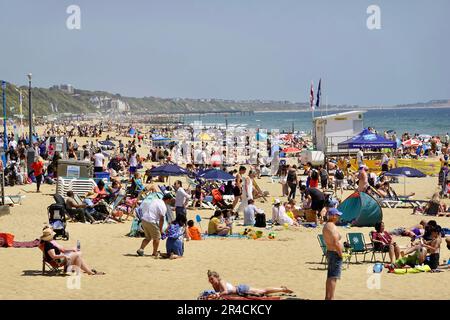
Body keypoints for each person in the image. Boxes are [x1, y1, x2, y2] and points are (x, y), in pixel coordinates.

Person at [40, 227, 104, 275]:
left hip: (60, 259)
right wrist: (65, 255)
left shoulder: (48, 243)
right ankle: (84, 271)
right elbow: (53, 256)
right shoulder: (48, 244)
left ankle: (88, 271)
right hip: (58, 261)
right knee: (77, 254)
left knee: (77, 256)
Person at [136, 194, 173, 258]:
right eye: (171, 200)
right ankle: (154, 252)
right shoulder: (163, 207)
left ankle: (141, 249)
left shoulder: (156, 200)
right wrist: (160, 230)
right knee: (157, 237)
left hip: (144, 219)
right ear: (168, 200)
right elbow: (162, 220)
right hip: (151, 220)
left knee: (148, 237)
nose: (171, 202)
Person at [207, 270, 293, 297]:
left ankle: (283, 289)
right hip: (239, 294)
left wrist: (217, 295)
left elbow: (225, 292)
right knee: (262, 293)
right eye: (210, 279)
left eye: (212, 279)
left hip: (241, 290)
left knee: (263, 291)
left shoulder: (222, 281)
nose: (211, 281)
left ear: (217, 278)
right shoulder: (214, 285)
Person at [322, 208, 344, 300]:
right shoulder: (332, 226)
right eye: (337, 215)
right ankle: (331, 297)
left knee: (330, 276)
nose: (338, 217)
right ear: (333, 216)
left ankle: (328, 297)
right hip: (334, 253)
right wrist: (341, 254)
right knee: (333, 277)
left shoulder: (327, 225)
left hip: (330, 252)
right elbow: (336, 242)